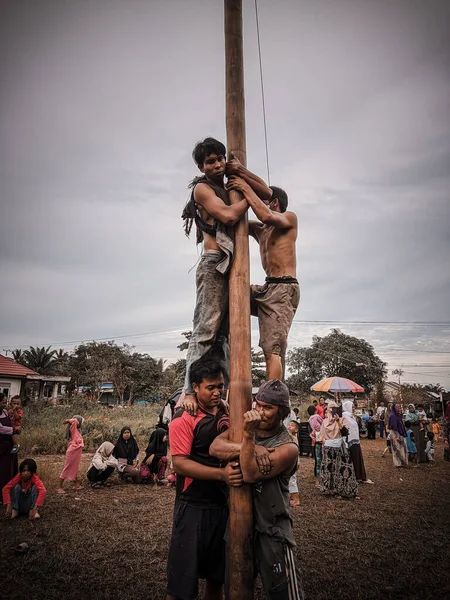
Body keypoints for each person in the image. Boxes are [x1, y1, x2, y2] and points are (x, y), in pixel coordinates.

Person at [182, 138, 268, 409]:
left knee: (227, 336)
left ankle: (229, 392)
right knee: (206, 329)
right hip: (213, 263)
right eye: (210, 161)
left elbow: (265, 192)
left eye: (220, 158)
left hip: (231, 266)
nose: (217, 164)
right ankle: (187, 391)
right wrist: (246, 196)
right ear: (201, 166)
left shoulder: (227, 182)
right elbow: (230, 217)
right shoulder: (202, 189)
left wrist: (241, 173)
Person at [210, 379, 305, 600]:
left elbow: (251, 473)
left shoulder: (288, 447)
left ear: (282, 413)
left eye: (268, 408)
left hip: (273, 528)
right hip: (237, 523)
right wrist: (254, 446)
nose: (260, 412)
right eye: (258, 405)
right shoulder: (245, 429)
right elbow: (215, 447)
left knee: (284, 592)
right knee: (235, 587)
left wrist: (247, 437)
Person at [166, 358, 243, 600]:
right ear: (195, 387)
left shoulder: (226, 410)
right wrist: (222, 474)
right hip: (193, 506)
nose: (217, 391)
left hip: (223, 507)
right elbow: (179, 463)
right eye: (210, 387)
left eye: (220, 386)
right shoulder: (183, 418)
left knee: (216, 578)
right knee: (181, 587)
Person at [226, 163, 299, 380]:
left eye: (264, 198)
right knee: (231, 293)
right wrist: (238, 175)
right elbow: (232, 220)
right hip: (267, 288)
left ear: (274, 203)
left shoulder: (288, 219)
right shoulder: (260, 230)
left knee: (272, 349)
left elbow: (266, 215)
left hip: (283, 289)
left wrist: (245, 188)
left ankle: (272, 400)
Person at [319, 401, 358, 499]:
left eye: (334, 408)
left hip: (340, 447)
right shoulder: (325, 421)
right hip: (328, 448)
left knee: (341, 469)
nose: (332, 410)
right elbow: (321, 435)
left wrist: (338, 422)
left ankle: (342, 489)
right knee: (330, 469)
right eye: (330, 408)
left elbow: (345, 432)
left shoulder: (342, 419)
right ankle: (330, 489)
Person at [342, 400, 373, 484]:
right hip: (349, 441)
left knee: (358, 458)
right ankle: (353, 477)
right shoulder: (344, 416)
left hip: (355, 440)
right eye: (351, 407)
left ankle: (360, 476)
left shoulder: (351, 416)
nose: (353, 408)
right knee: (352, 459)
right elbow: (344, 429)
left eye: (353, 407)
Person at [57, 415, 84, 493]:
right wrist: (68, 420)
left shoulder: (77, 431)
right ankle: (59, 487)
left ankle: (76, 484)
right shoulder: (74, 428)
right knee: (67, 467)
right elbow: (75, 421)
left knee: (74, 468)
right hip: (73, 452)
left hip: (76, 452)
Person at [0, 392, 19, 495]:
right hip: (1, 445)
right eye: (3, 402)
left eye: (5, 402)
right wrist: (14, 430)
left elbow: (11, 422)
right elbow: (1, 429)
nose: (5, 405)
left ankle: (6, 494)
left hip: (8, 444)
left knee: (8, 469)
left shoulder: (5, 412)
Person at [388, 404, 408, 468]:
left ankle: (402, 462)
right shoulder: (393, 416)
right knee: (397, 448)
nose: (399, 408)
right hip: (395, 434)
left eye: (400, 407)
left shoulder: (397, 415)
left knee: (401, 448)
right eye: (398, 407)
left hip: (400, 433)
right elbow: (394, 427)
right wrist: (397, 436)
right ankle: (398, 463)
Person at [307, 405, 323, 481]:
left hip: (315, 439)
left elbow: (310, 431)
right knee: (321, 457)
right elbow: (322, 422)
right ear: (315, 411)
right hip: (321, 437)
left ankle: (317, 474)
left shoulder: (309, 420)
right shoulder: (317, 416)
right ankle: (321, 473)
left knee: (317, 458)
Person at [287, 419, 300, 507]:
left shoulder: (293, 437)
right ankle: (292, 498)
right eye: (289, 425)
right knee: (290, 479)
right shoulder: (290, 436)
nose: (289, 427)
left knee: (292, 479)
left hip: (294, 461)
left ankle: (296, 499)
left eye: (291, 426)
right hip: (291, 460)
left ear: (296, 430)